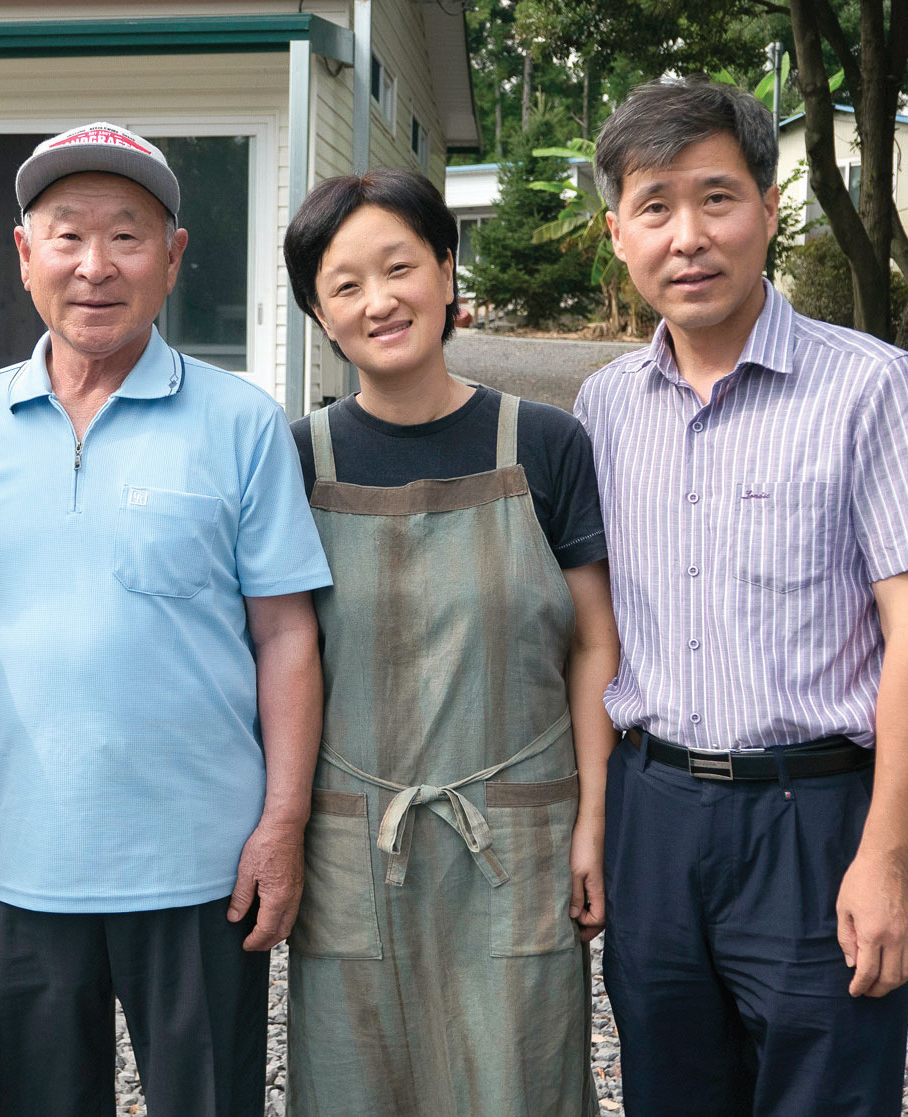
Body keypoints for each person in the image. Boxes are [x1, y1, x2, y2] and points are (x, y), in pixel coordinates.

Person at [574, 77, 908, 1116]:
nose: (686, 235)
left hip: (814, 819)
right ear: (616, 232)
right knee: (670, 1091)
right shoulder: (602, 408)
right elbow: (594, 631)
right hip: (652, 816)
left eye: (715, 197)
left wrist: (886, 857)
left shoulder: (875, 387)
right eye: (653, 206)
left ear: (766, 205)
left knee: (824, 1092)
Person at [0, 122, 331, 1117]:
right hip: (25, 866)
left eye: (127, 236)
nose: (94, 267)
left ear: (173, 256)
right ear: (24, 255)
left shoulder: (238, 421)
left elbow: (285, 635)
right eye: (66, 236)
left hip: (200, 867)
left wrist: (281, 823)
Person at [279, 169, 619, 1116]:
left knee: (523, 1078)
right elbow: (275, 653)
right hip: (353, 843)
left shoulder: (545, 444)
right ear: (319, 311)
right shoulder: (295, 459)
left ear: (445, 268)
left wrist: (595, 816)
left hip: (518, 839)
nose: (380, 300)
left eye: (400, 267)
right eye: (345, 284)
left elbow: (596, 642)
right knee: (356, 1080)